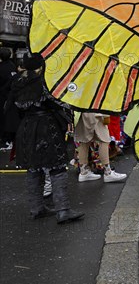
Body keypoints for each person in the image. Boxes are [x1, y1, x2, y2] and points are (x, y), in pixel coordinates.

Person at [8, 53, 83, 224]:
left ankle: (37, 208)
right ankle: (63, 210)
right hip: (46, 126)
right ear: (41, 66)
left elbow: (12, 106)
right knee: (56, 167)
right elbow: (61, 101)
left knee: (34, 168)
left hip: (26, 128)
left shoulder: (18, 82)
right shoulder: (44, 82)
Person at [74, 112, 127, 183]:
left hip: (84, 112)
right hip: (96, 113)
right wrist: (106, 114)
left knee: (84, 142)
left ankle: (83, 171)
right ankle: (108, 173)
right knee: (104, 140)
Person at [0, 47, 17, 150]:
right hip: (11, 96)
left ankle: (5, 140)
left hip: (2, 96)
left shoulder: (1, 67)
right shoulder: (12, 66)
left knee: (2, 119)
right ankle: (9, 139)